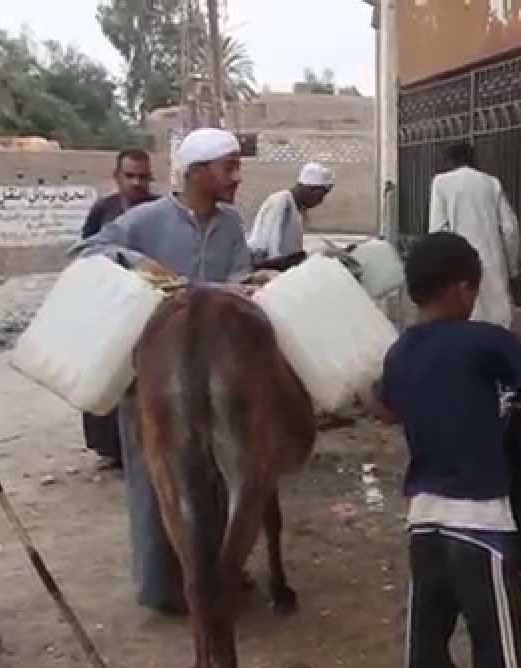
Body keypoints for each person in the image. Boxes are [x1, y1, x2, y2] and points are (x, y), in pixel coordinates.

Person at [364, 231, 521, 668]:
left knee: (428, 639)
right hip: (479, 524)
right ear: (461, 289)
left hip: (424, 523)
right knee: (499, 648)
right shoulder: (484, 340)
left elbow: (385, 409)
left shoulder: (401, 351)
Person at [69, 127, 269, 614]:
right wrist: (143, 267)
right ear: (198, 172)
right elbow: (85, 252)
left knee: (219, 474)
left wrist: (251, 284)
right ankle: (161, 585)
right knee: (153, 477)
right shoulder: (144, 221)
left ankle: (220, 571)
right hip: (155, 374)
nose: (237, 178)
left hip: (216, 371)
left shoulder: (231, 224)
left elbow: (235, 280)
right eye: (229, 167)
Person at [78, 149, 160, 470]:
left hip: (151, 303)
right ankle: (110, 449)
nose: (137, 183)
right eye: (131, 176)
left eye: (143, 176)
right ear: (117, 177)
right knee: (110, 371)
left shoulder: (159, 211)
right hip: (113, 301)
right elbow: (87, 251)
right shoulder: (104, 210)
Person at [428, 142, 521, 328]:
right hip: (494, 264)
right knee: (498, 325)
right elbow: (510, 229)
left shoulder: (441, 183)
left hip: (458, 267)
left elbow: (437, 230)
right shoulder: (492, 183)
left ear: (449, 161)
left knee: (465, 325)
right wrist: (511, 267)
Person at [247, 162, 334, 263]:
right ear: (310, 189)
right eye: (320, 196)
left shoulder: (299, 208)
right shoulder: (281, 201)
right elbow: (271, 246)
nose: (320, 201)